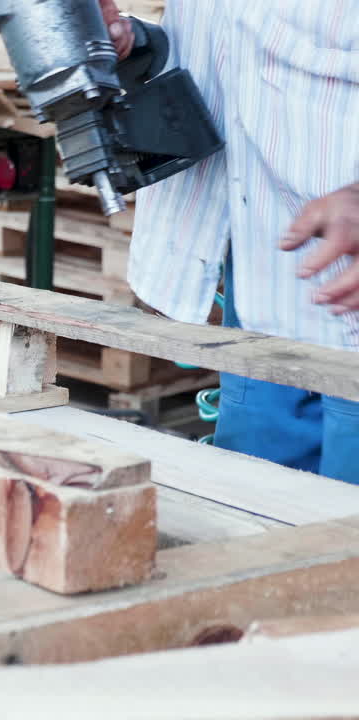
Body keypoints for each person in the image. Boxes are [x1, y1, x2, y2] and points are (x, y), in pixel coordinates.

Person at [98, 0, 359, 482]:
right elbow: (229, 39)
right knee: (258, 516)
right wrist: (138, 45)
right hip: (260, 271)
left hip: (347, 280)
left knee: (345, 533)